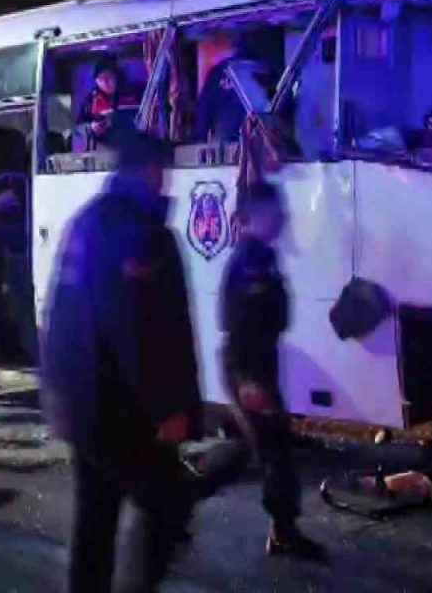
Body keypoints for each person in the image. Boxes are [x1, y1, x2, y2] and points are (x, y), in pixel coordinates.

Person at [41, 128, 202, 592]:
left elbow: (60, 316)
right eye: (162, 170)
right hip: (121, 408)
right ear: (148, 170)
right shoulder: (137, 230)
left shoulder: (89, 220)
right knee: (165, 504)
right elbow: (138, 329)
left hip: (85, 404)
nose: (165, 181)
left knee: (96, 519)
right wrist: (168, 408)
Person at [221, 181, 325, 560]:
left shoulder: (264, 257)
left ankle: (175, 498)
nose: (281, 218)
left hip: (259, 364)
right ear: (254, 216)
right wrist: (248, 379)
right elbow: (234, 320)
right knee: (271, 449)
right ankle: (175, 498)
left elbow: (276, 318)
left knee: (265, 448)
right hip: (249, 368)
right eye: (273, 212)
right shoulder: (248, 261)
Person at [76, 55, 125, 148]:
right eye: (101, 78)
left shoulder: (133, 94)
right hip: (101, 152)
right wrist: (91, 128)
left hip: (129, 149)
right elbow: (78, 128)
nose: (105, 82)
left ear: (116, 76)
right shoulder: (90, 100)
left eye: (109, 76)